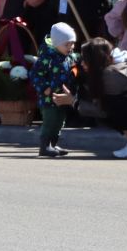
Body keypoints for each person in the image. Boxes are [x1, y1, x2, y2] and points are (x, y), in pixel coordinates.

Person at [31, 23, 77, 157]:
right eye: (66, 44)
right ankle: (44, 146)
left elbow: (75, 67)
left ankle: (53, 143)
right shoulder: (47, 58)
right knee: (50, 121)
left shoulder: (69, 57)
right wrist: (44, 87)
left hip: (63, 97)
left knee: (59, 121)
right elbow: (35, 74)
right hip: (49, 97)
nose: (70, 47)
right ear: (57, 43)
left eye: (72, 44)